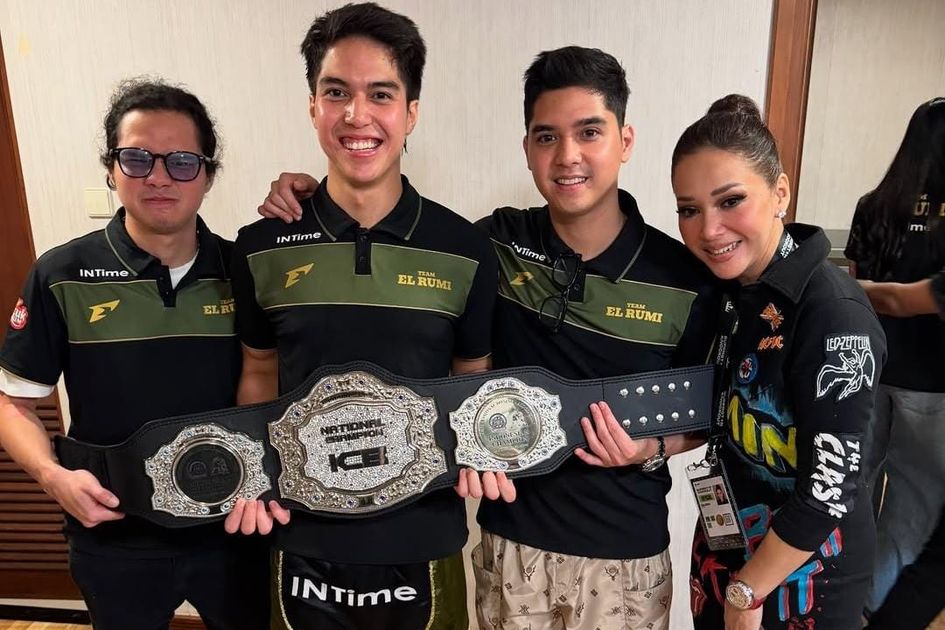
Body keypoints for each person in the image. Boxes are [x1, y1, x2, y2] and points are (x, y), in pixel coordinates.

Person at [260, 46, 719, 630]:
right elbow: (403, 246)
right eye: (547, 137)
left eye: (589, 132)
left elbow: (706, 412)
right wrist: (313, 198)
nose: (568, 156)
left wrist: (650, 449)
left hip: (625, 554)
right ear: (527, 148)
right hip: (510, 545)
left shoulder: (683, 278)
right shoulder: (491, 244)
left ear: (624, 141)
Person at [225, 4, 498, 628]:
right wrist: (252, 478)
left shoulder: (464, 249)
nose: (356, 115)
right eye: (336, 92)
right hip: (300, 534)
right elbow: (259, 372)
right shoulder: (260, 247)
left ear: (411, 112)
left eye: (380, 93)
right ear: (312, 106)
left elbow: (472, 380)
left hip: (422, 538)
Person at [0, 79, 269, 630]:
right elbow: (12, 403)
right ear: (111, 168)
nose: (159, 177)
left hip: (234, 530)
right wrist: (53, 477)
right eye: (138, 158)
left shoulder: (244, 271)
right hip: (112, 533)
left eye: (183, 162)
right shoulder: (61, 274)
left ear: (208, 175)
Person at [674, 94, 887, 630]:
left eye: (730, 201)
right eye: (689, 209)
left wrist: (747, 592)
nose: (708, 230)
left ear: (781, 192)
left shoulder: (833, 312)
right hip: (727, 552)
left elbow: (829, 488)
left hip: (806, 578)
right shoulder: (727, 290)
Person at [843, 96, 945, 617]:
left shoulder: (874, 205)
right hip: (934, 383)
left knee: (845, 491)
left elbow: (853, 294)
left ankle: (832, 598)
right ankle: (873, 610)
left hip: (867, 370)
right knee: (911, 512)